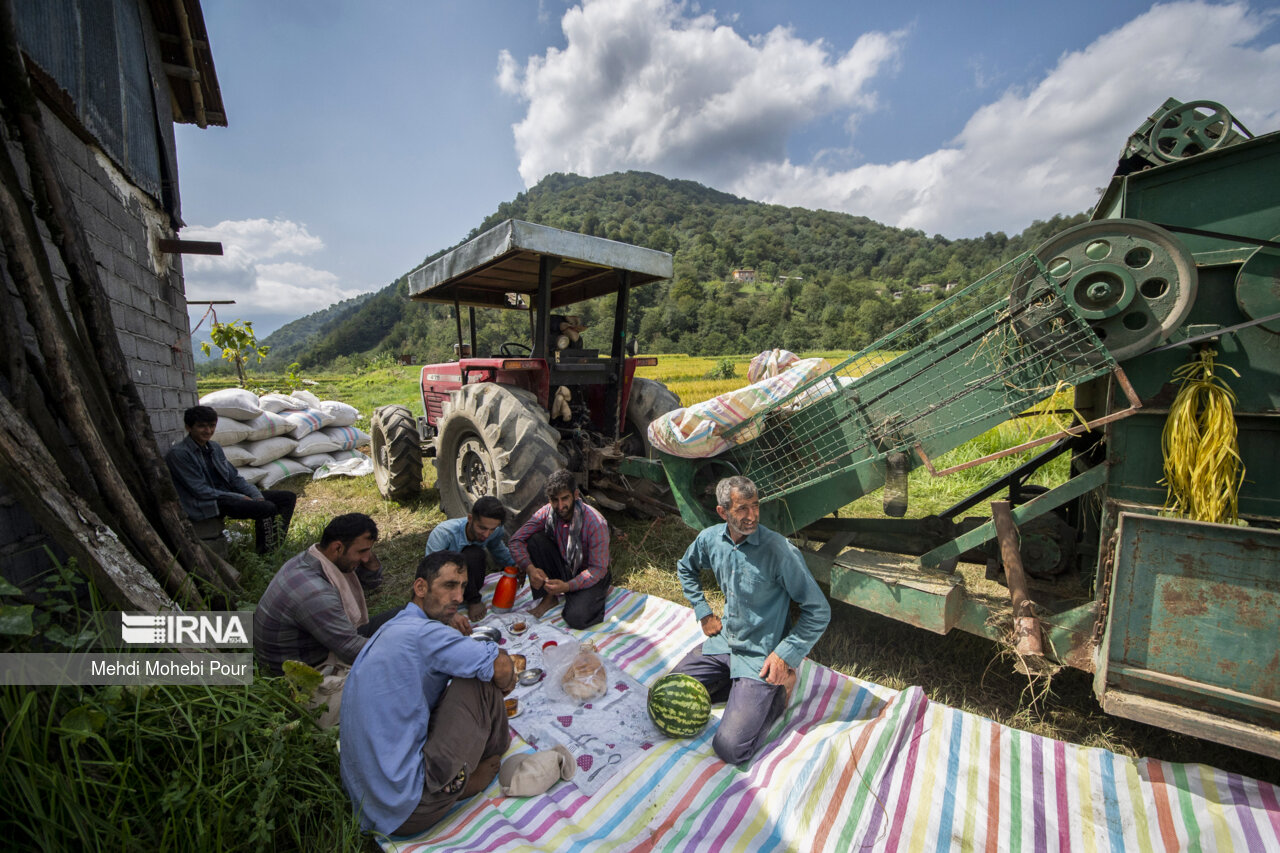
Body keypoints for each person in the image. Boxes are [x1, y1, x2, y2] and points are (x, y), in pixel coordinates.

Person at [340, 551, 516, 837]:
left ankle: (475, 757)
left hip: (370, 804)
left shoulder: (394, 626)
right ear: (420, 587)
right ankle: (484, 760)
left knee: (471, 666)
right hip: (408, 808)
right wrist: (503, 666)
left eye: (462, 586)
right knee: (480, 675)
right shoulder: (425, 634)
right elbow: (500, 669)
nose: (458, 596)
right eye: (449, 586)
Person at [669, 475, 830, 766]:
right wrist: (703, 611)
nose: (752, 515)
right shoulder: (711, 539)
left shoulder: (778, 550)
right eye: (742, 508)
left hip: (761, 653)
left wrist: (785, 655)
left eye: (755, 506)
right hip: (725, 640)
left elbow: (818, 610)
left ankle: (779, 691)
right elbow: (685, 567)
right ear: (723, 512)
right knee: (671, 694)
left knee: (730, 748)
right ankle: (739, 688)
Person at [253, 513, 383, 678]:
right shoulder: (315, 592)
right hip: (305, 670)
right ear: (337, 547)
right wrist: (403, 649)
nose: (366, 558)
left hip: (319, 645)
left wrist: (369, 559)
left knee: (405, 616)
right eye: (362, 551)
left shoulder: (315, 558)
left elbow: (371, 583)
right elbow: (351, 649)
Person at [166, 405, 296, 554]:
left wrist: (256, 495)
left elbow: (234, 477)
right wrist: (240, 497)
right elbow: (199, 491)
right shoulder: (180, 454)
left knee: (287, 498)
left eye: (211, 426)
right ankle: (265, 555)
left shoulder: (214, 447)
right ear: (189, 427)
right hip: (209, 502)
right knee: (266, 508)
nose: (208, 431)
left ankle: (276, 545)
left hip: (228, 495)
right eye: (201, 426)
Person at [509, 469, 611, 629]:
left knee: (576, 617)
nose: (560, 506)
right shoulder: (547, 513)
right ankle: (549, 597)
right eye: (554, 500)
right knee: (535, 540)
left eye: (565, 499)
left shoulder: (596, 523)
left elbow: (597, 569)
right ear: (549, 499)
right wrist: (529, 568)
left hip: (590, 571)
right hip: (565, 564)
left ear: (576, 495)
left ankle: (587, 594)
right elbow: (516, 540)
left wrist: (568, 586)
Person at [425, 495, 514, 622]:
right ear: (470, 519)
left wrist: (516, 565)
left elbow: (498, 549)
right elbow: (430, 572)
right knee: (469, 555)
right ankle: (473, 600)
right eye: (482, 528)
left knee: (476, 554)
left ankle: (469, 596)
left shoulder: (497, 530)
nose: (486, 534)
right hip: (444, 579)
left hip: (469, 580)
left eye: (492, 530)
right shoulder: (443, 534)